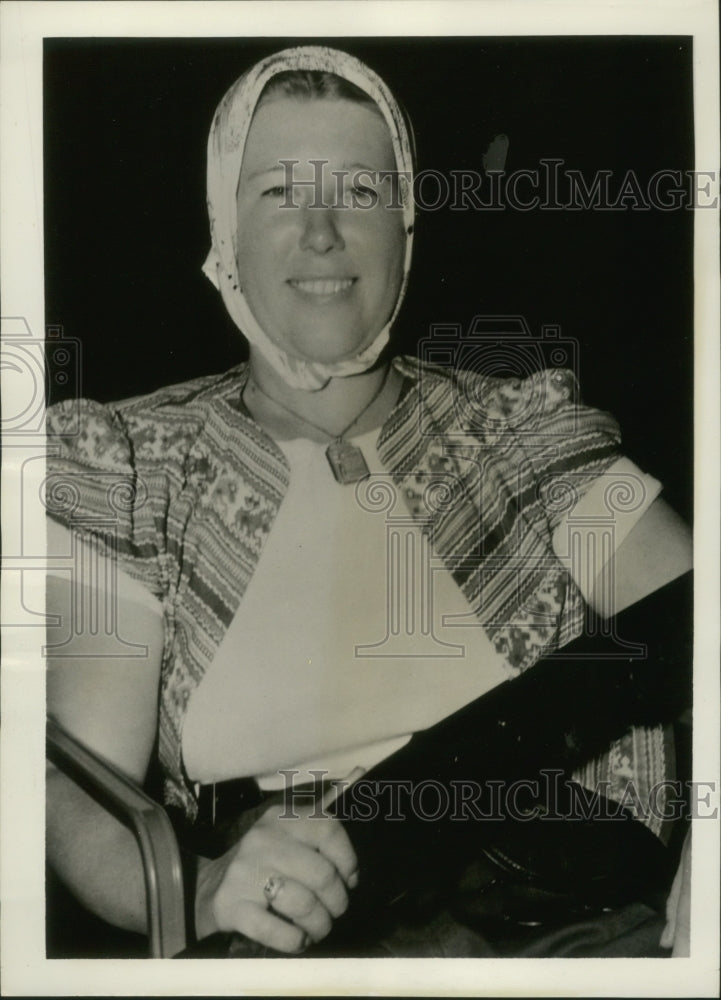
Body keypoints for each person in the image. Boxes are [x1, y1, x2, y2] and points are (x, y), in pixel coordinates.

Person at [45, 45, 692, 958]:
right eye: (277, 192)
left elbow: (692, 626)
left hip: (576, 926)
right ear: (220, 225)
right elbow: (82, 792)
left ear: (406, 223)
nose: (320, 234)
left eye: (357, 192)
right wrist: (204, 891)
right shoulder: (132, 465)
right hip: (295, 945)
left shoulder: (518, 432)